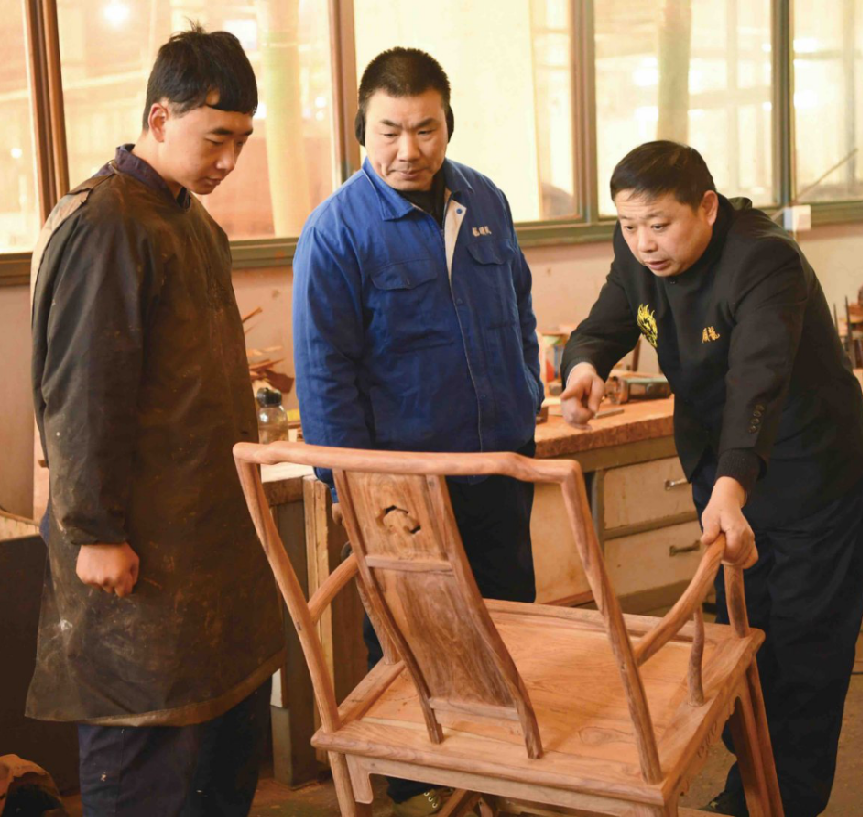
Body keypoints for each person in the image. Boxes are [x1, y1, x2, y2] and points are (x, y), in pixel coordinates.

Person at [560, 141, 863, 818]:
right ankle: (750, 784)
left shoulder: (764, 260)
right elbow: (605, 323)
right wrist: (584, 368)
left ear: (706, 206)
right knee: (739, 638)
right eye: (628, 225)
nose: (643, 243)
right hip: (720, 473)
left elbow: (758, 380)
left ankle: (786, 803)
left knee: (805, 647)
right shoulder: (639, 252)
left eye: (659, 225)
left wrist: (732, 487)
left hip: (807, 472)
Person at [29, 25, 283, 817]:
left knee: (217, 766)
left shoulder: (192, 222)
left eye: (241, 141)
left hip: (205, 545)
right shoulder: (106, 223)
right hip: (133, 553)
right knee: (146, 771)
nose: (229, 161)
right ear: (161, 117)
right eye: (216, 138)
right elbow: (82, 392)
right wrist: (94, 530)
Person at [292, 47, 543, 817]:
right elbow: (325, 377)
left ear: (448, 125)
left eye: (426, 129)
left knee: (509, 634)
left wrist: (527, 402)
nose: (409, 149)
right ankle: (422, 793)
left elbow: (519, 315)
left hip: (498, 470)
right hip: (405, 493)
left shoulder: (486, 201)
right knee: (416, 652)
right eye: (390, 131)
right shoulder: (336, 233)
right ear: (361, 132)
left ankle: (498, 786)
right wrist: (354, 490)